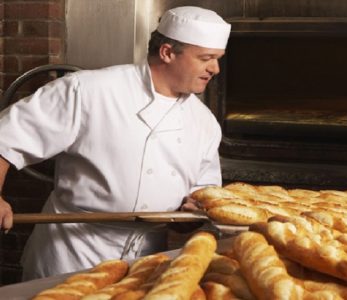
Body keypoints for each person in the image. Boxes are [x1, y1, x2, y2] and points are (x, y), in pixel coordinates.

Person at [0, 6, 231, 280]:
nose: (215, 69)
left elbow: (199, 201)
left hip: (144, 266)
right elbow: (7, 137)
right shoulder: (89, 91)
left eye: (218, 59)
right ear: (167, 52)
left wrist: (192, 212)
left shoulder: (204, 122)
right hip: (73, 254)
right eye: (206, 58)